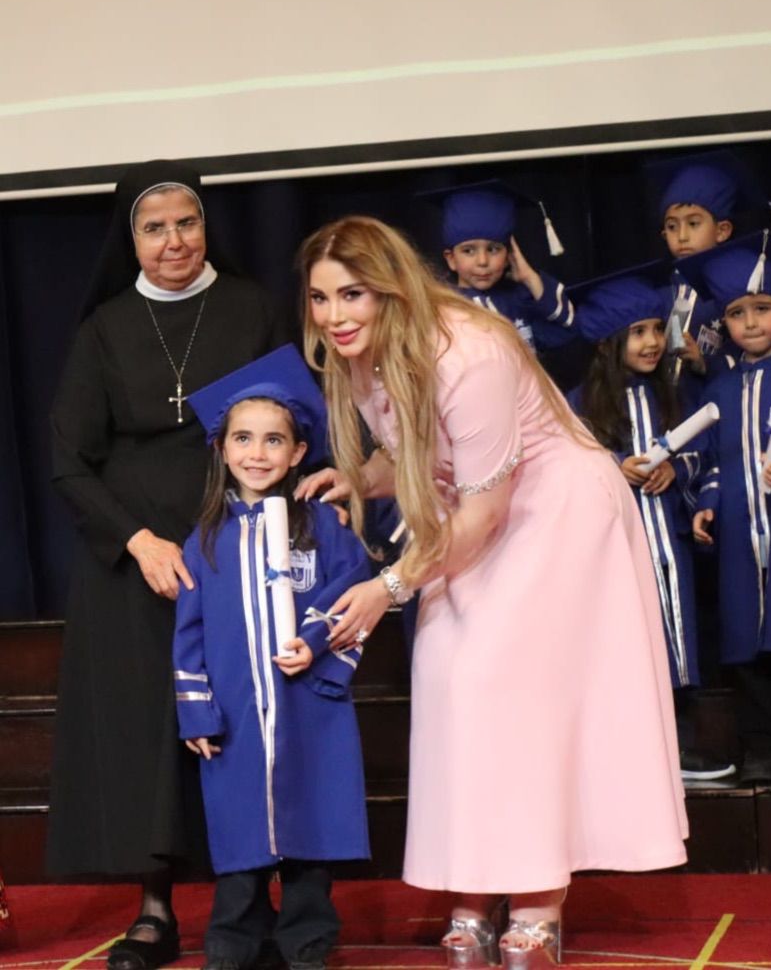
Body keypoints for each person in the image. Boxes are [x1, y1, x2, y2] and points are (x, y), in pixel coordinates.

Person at [294, 216, 687, 968]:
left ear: (391, 290)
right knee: (454, 685)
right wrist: (359, 478)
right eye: (320, 297)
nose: (334, 315)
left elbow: (484, 510)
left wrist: (389, 586)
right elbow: (417, 452)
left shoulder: (468, 353)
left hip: (554, 512)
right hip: (477, 513)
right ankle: (473, 891)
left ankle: (538, 901)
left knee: (517, 696)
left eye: (352, 294)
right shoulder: (358, 355)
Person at [47, 160, 289, 970]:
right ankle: (154, 911)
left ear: (206, 226)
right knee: (148, 732)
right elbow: (69, 461)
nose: (175, 240)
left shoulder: (252, 306)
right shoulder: (105, 328)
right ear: (132, 241)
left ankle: (248, 908)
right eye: (155, 228)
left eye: (188, 222)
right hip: (134, 562)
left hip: (236, 545)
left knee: (243, 722)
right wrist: (138, 541)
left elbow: (293, 420)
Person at [176, 346, 370, 970]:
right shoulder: (206, 539)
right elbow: (189, 632)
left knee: (311, 826)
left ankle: (307, 939)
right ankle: (235, 941)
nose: (257, 453)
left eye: (273, 440)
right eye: (243, 438)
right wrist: (197, 711)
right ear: (221, 448)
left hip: (308, 705)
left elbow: (355, 593)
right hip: (236, 712)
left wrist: (319, 649)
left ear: (297, 452)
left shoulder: (324, 528)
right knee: (240, 830)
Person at [567, 262, 735, 782]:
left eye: (658, 329)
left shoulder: (676, 395)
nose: (653, 342)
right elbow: (562, 468)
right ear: (607, 343)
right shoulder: (581, 406)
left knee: (676, 636)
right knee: (625, 639)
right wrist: (613, 468)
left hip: (670, 542)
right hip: (616, 547)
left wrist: (674, 469)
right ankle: (630, 758)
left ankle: (677, 749)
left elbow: (707, 454)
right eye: (638, 332)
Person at [680, 233, 771, 785]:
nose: (751, 322)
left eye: (762, 308)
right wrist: (707, 504)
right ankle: (766, 749)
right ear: (725, 324)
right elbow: (716, 459)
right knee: (748, 641)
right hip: (742, 531)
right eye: (737, 313)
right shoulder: (720, 387)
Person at [419, 181, 576, 355]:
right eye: (468, 251)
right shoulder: (441, 310)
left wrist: (529, 277)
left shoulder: (519, 301)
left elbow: (564, 329)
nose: (482, 261)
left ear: (509, 255)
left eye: (493, 249)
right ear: (451, 259)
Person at [646, 151, 760, 389]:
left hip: (716, 397)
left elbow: (752, 352)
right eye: (672, 226)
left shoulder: (733, 293)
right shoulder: (657, 295)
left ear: (722, 231)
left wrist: (703, 362)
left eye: (693, 223)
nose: (682, 236)